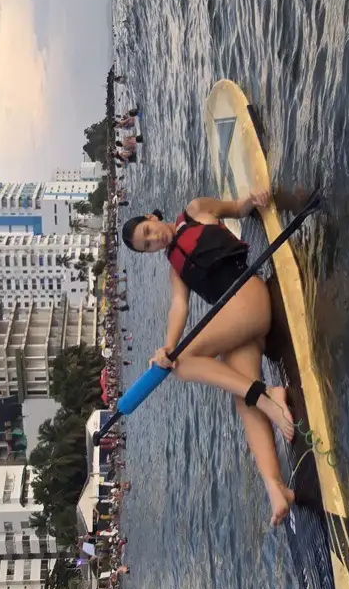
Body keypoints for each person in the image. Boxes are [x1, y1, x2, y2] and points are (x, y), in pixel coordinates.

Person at [120, 191, 300, 524]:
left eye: (148, 232)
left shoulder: (195, 210)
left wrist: (252, 201)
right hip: (240, 325)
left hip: (249, 297)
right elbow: (179, 307)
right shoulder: (175, 270)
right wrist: (165, 347)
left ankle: (269, 398)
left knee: (183, 362)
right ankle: (275, 486)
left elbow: (235, 208)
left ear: (151, 217)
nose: (154, 240)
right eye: (147, 246)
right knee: (240, 398)